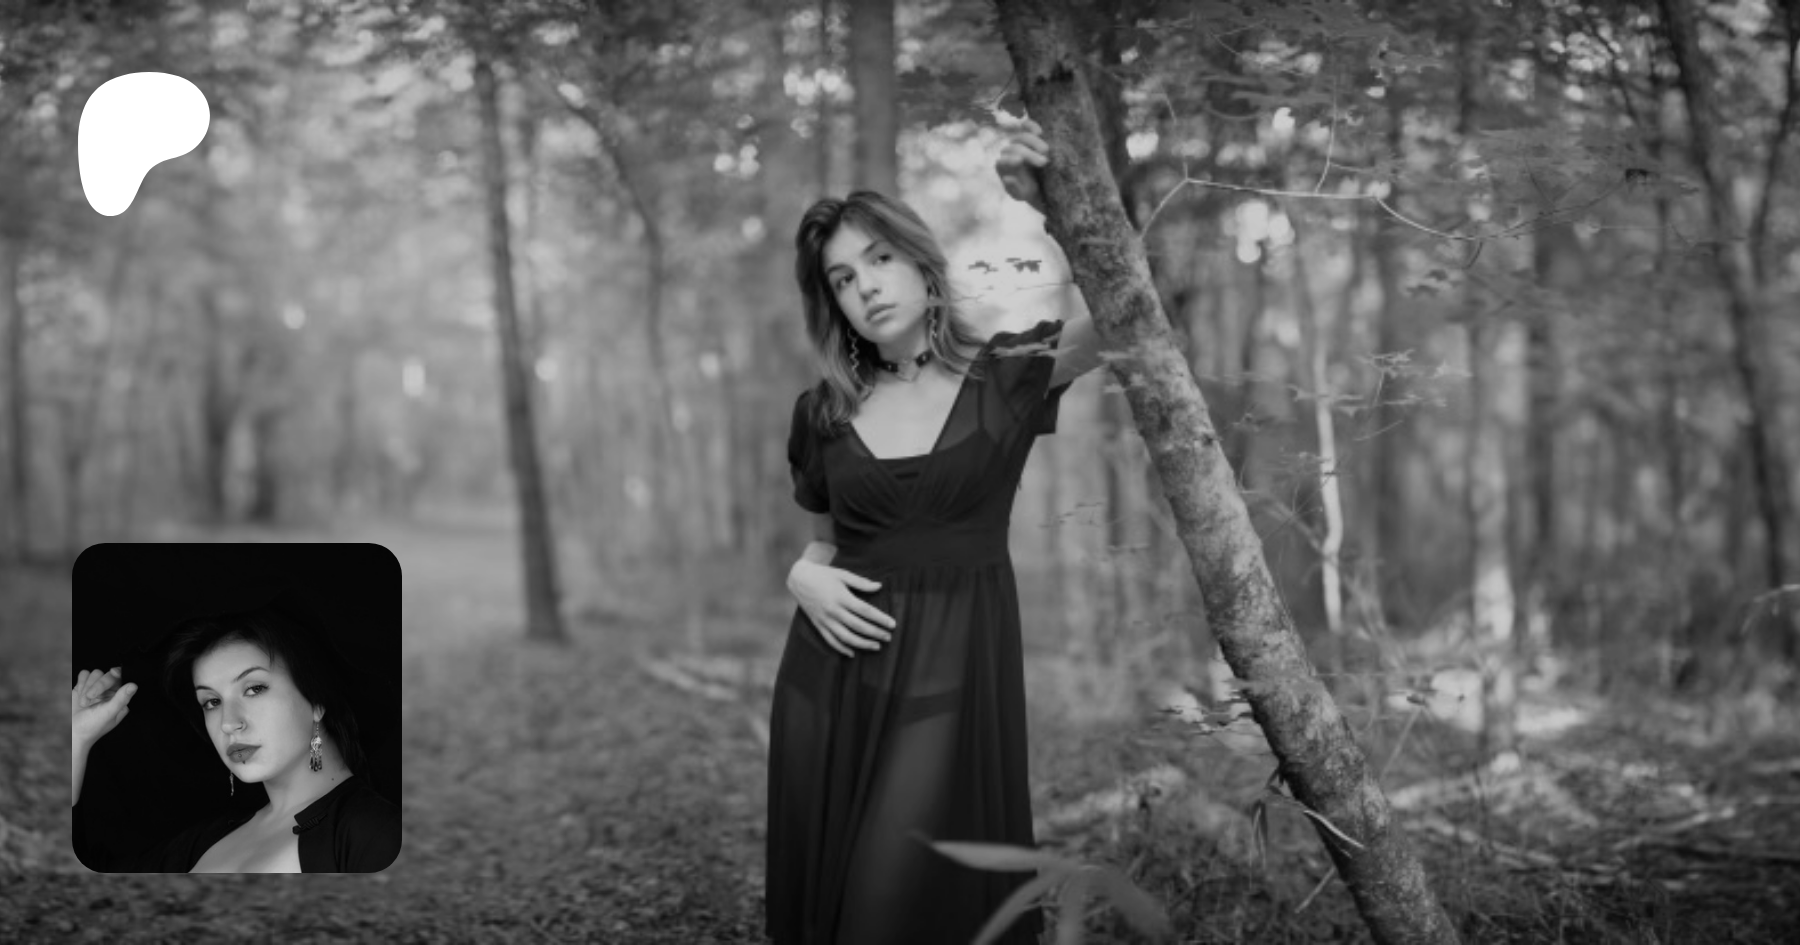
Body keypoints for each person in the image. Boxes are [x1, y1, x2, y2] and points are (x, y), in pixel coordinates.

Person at [765, 118, 1105, 944]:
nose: (867, 286)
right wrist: (799, 574)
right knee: (850, 902)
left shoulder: (1005, 377)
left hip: (957, 683)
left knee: (902, 903)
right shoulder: (822, 413)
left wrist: (1050, 207)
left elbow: (1128, 319)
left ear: (922, 264)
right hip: (837, 681)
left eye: (880, 259)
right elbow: (825, 541)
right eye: (843, 278)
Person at [71, 604, 400, 873]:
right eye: (212, 702)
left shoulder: (376, 835)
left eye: (254, 688)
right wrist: (75, 740)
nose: (229, 723)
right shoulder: (204, 842)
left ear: (316, 699)